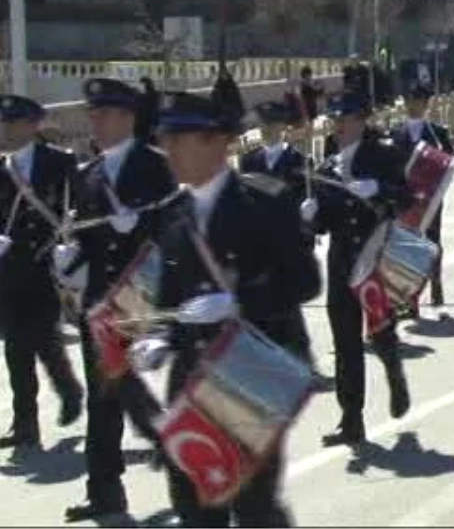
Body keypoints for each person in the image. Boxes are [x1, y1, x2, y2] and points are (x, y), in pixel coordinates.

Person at [129, 91, 320, 526]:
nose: (169, 150)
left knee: (252, 503)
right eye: (165, 139)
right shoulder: (172, 213)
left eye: (180, 139)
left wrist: (238, 303)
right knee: (193, 501)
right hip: (193, 380)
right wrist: (159, 336)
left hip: (251, 374)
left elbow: (306, 281)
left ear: (217, 142)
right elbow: (170, 299)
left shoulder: (266, 202)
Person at [57, 78, 173, 522]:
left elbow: (178, 228)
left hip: (145, 297)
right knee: (103, 397)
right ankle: (104, 492)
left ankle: (179, 448)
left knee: (118, 387)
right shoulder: (88, 175)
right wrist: (70, 259)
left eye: (103, 114)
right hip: (101, 303)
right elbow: (87, 240)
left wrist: (142, 230)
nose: (95, 122)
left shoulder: (158, 167)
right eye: (92, 114)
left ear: (127, 117)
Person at [303, 91, 412, 445]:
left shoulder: (382, 154)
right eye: (335, 120)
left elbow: (407, 197)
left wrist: (379, 188)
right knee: (345, 341)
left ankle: (394, 371)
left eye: (347, 119)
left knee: (380, 331)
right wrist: (311, 215)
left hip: (376, 255)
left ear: (362, 120)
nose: (340, 126)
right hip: (341, 263)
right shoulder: (325, 166)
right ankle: (351, 418)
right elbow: (321, 226)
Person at [0, 95, 84, 454]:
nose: (4, 129)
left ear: (32, 124)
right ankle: (25, 423)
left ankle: (68, 389)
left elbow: (78, 206)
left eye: (11, 122)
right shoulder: (2, 168)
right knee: (16, 346)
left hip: (49, 263)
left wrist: (72, 244)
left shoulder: (60, 162)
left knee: (44, 339)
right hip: (10, 266)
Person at [238, 100, 328, 382]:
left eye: (272, 126)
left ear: (283, 127)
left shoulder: (299, 161)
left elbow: (313, 197)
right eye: (263, 126)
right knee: (269, 306)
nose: (267, 131)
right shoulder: (250, 161)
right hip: (259, 245)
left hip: (292, 243)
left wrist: (309, 211)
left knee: (289, 303)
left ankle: (302, 361)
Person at [389, 81, 454, 318]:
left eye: (417, 101)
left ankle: (437, 288)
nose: (412, 106)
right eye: (408, 101)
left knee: (432, 243)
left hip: (429, 199)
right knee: (405, 246)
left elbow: (451, 157)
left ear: (426, 104)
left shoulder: (437, 132)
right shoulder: (395, 132)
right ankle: (409, 298)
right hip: (404, 198)